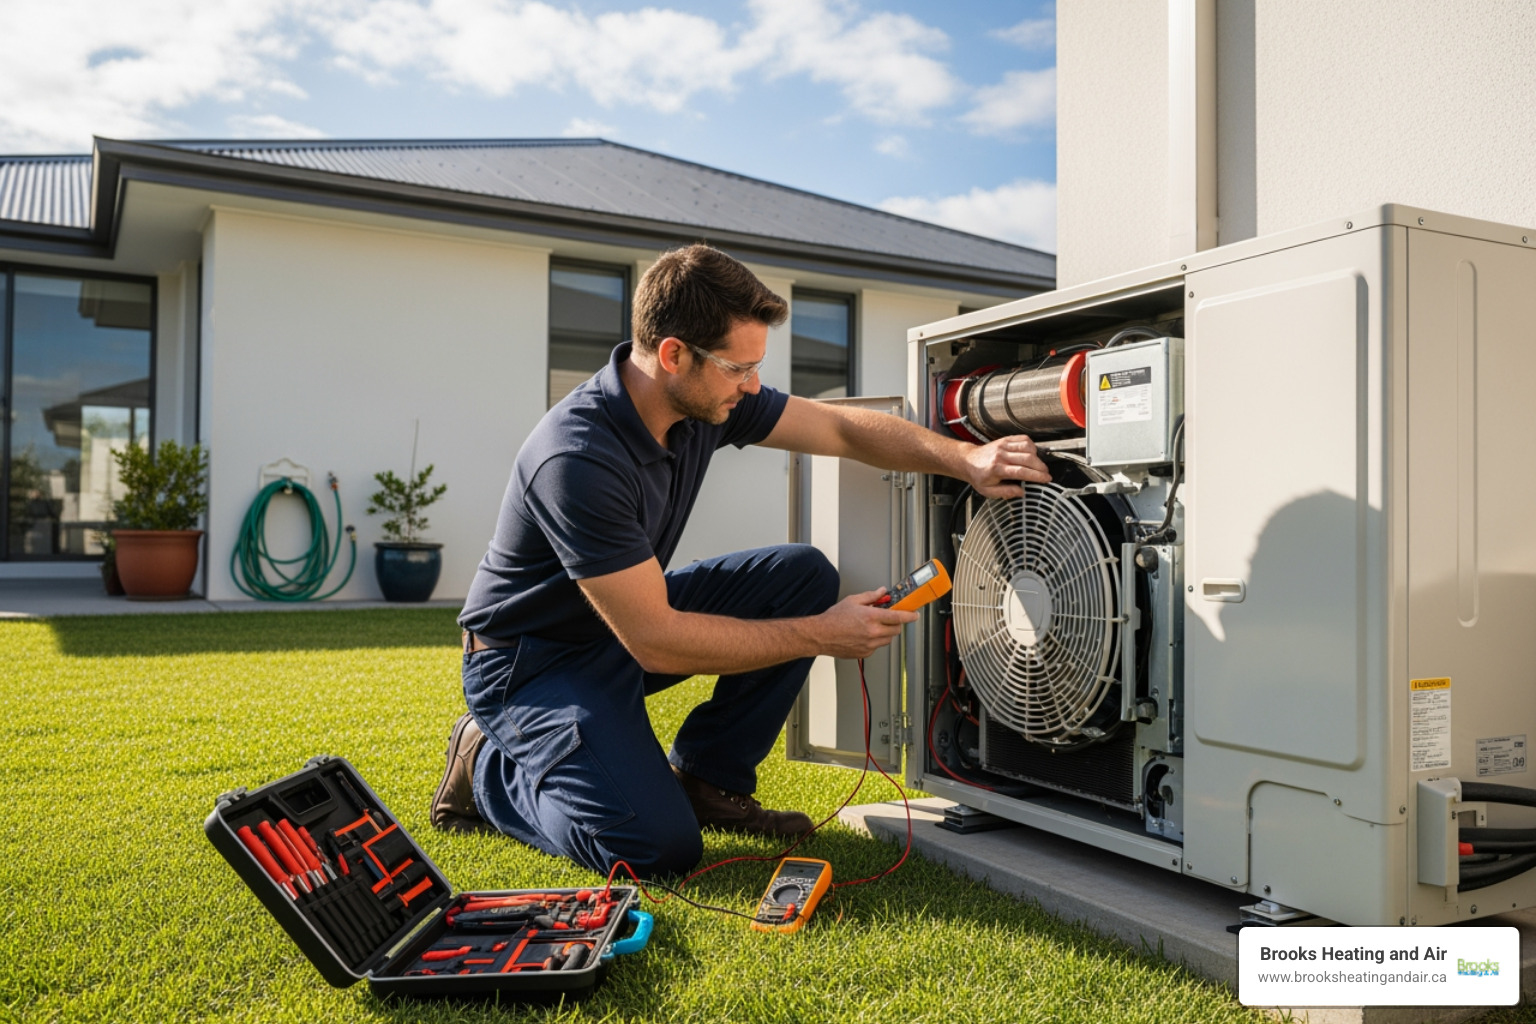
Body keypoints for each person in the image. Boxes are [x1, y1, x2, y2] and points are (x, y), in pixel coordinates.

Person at [433, 243, 1049, 876]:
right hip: (531, 665)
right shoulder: (577, 460)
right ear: (673, 354)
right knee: (653, 848)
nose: (752, 385)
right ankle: (486, 768)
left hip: (619, 628)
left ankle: (707, 780)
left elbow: (840, 429)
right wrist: (821, 635)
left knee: (800, 575)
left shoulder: (701, 401)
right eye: (738, 368)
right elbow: (658, 644)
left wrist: (965, 459)